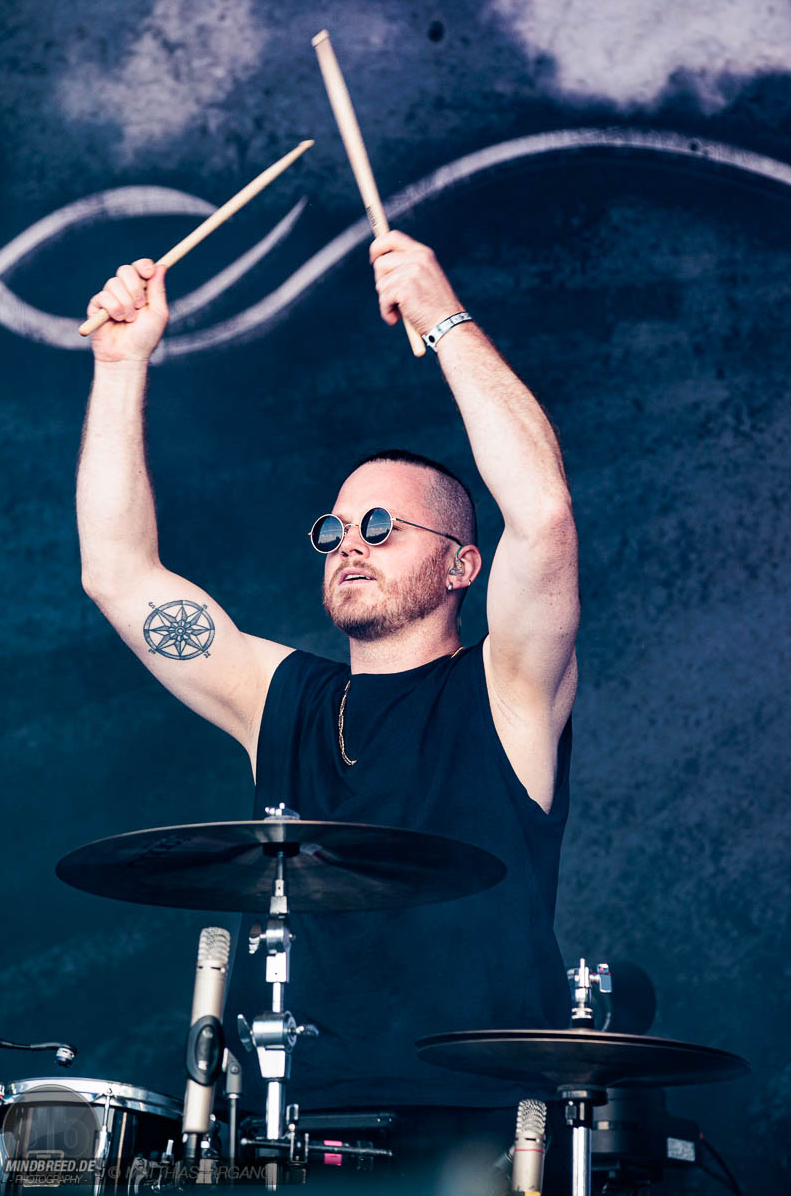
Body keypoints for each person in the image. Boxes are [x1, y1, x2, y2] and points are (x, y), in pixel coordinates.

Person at [77, 230, 579, 1192]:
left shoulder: (509, 685)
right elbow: (117, 574)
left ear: (461, 566)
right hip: (296, 1129)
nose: (351, 544)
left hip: (479, 1132)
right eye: (336, 529)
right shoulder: (282, 696)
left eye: (382, 527)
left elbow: (545, 515)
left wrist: (442, 317)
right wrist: (120, 365)